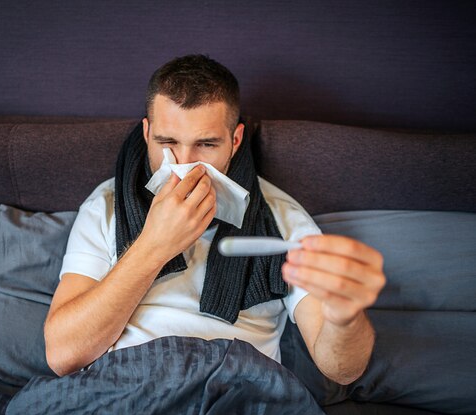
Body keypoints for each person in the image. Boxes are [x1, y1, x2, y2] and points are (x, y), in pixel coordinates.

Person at [44, 54, 386, 385]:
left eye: (206, 144)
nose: (185, 164)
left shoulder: (282, 218)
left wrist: (345, 319)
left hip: (238, 389)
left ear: (235, 140)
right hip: (129, 386)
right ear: (147, 133)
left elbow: (342, 370)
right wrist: (154, 245)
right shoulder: (107, 205)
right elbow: (64, 356)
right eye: (167, 142)